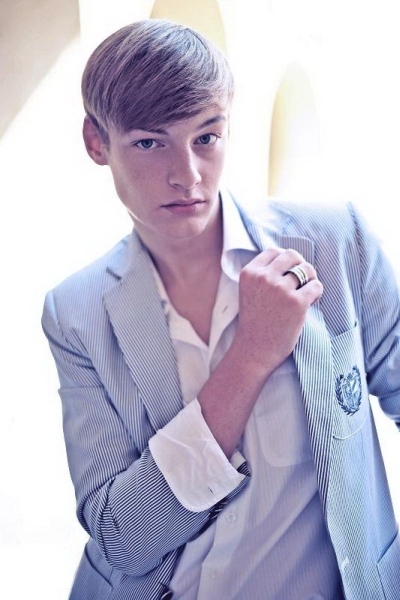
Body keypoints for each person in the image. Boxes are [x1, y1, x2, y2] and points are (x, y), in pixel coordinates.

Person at [41, 19, 400, 600]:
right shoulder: (76, 313)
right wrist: (251, 355)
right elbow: (121, 540)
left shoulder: (334, 242)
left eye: (207, 137)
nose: (188, 176)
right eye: (150, 142)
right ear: (96, 142)